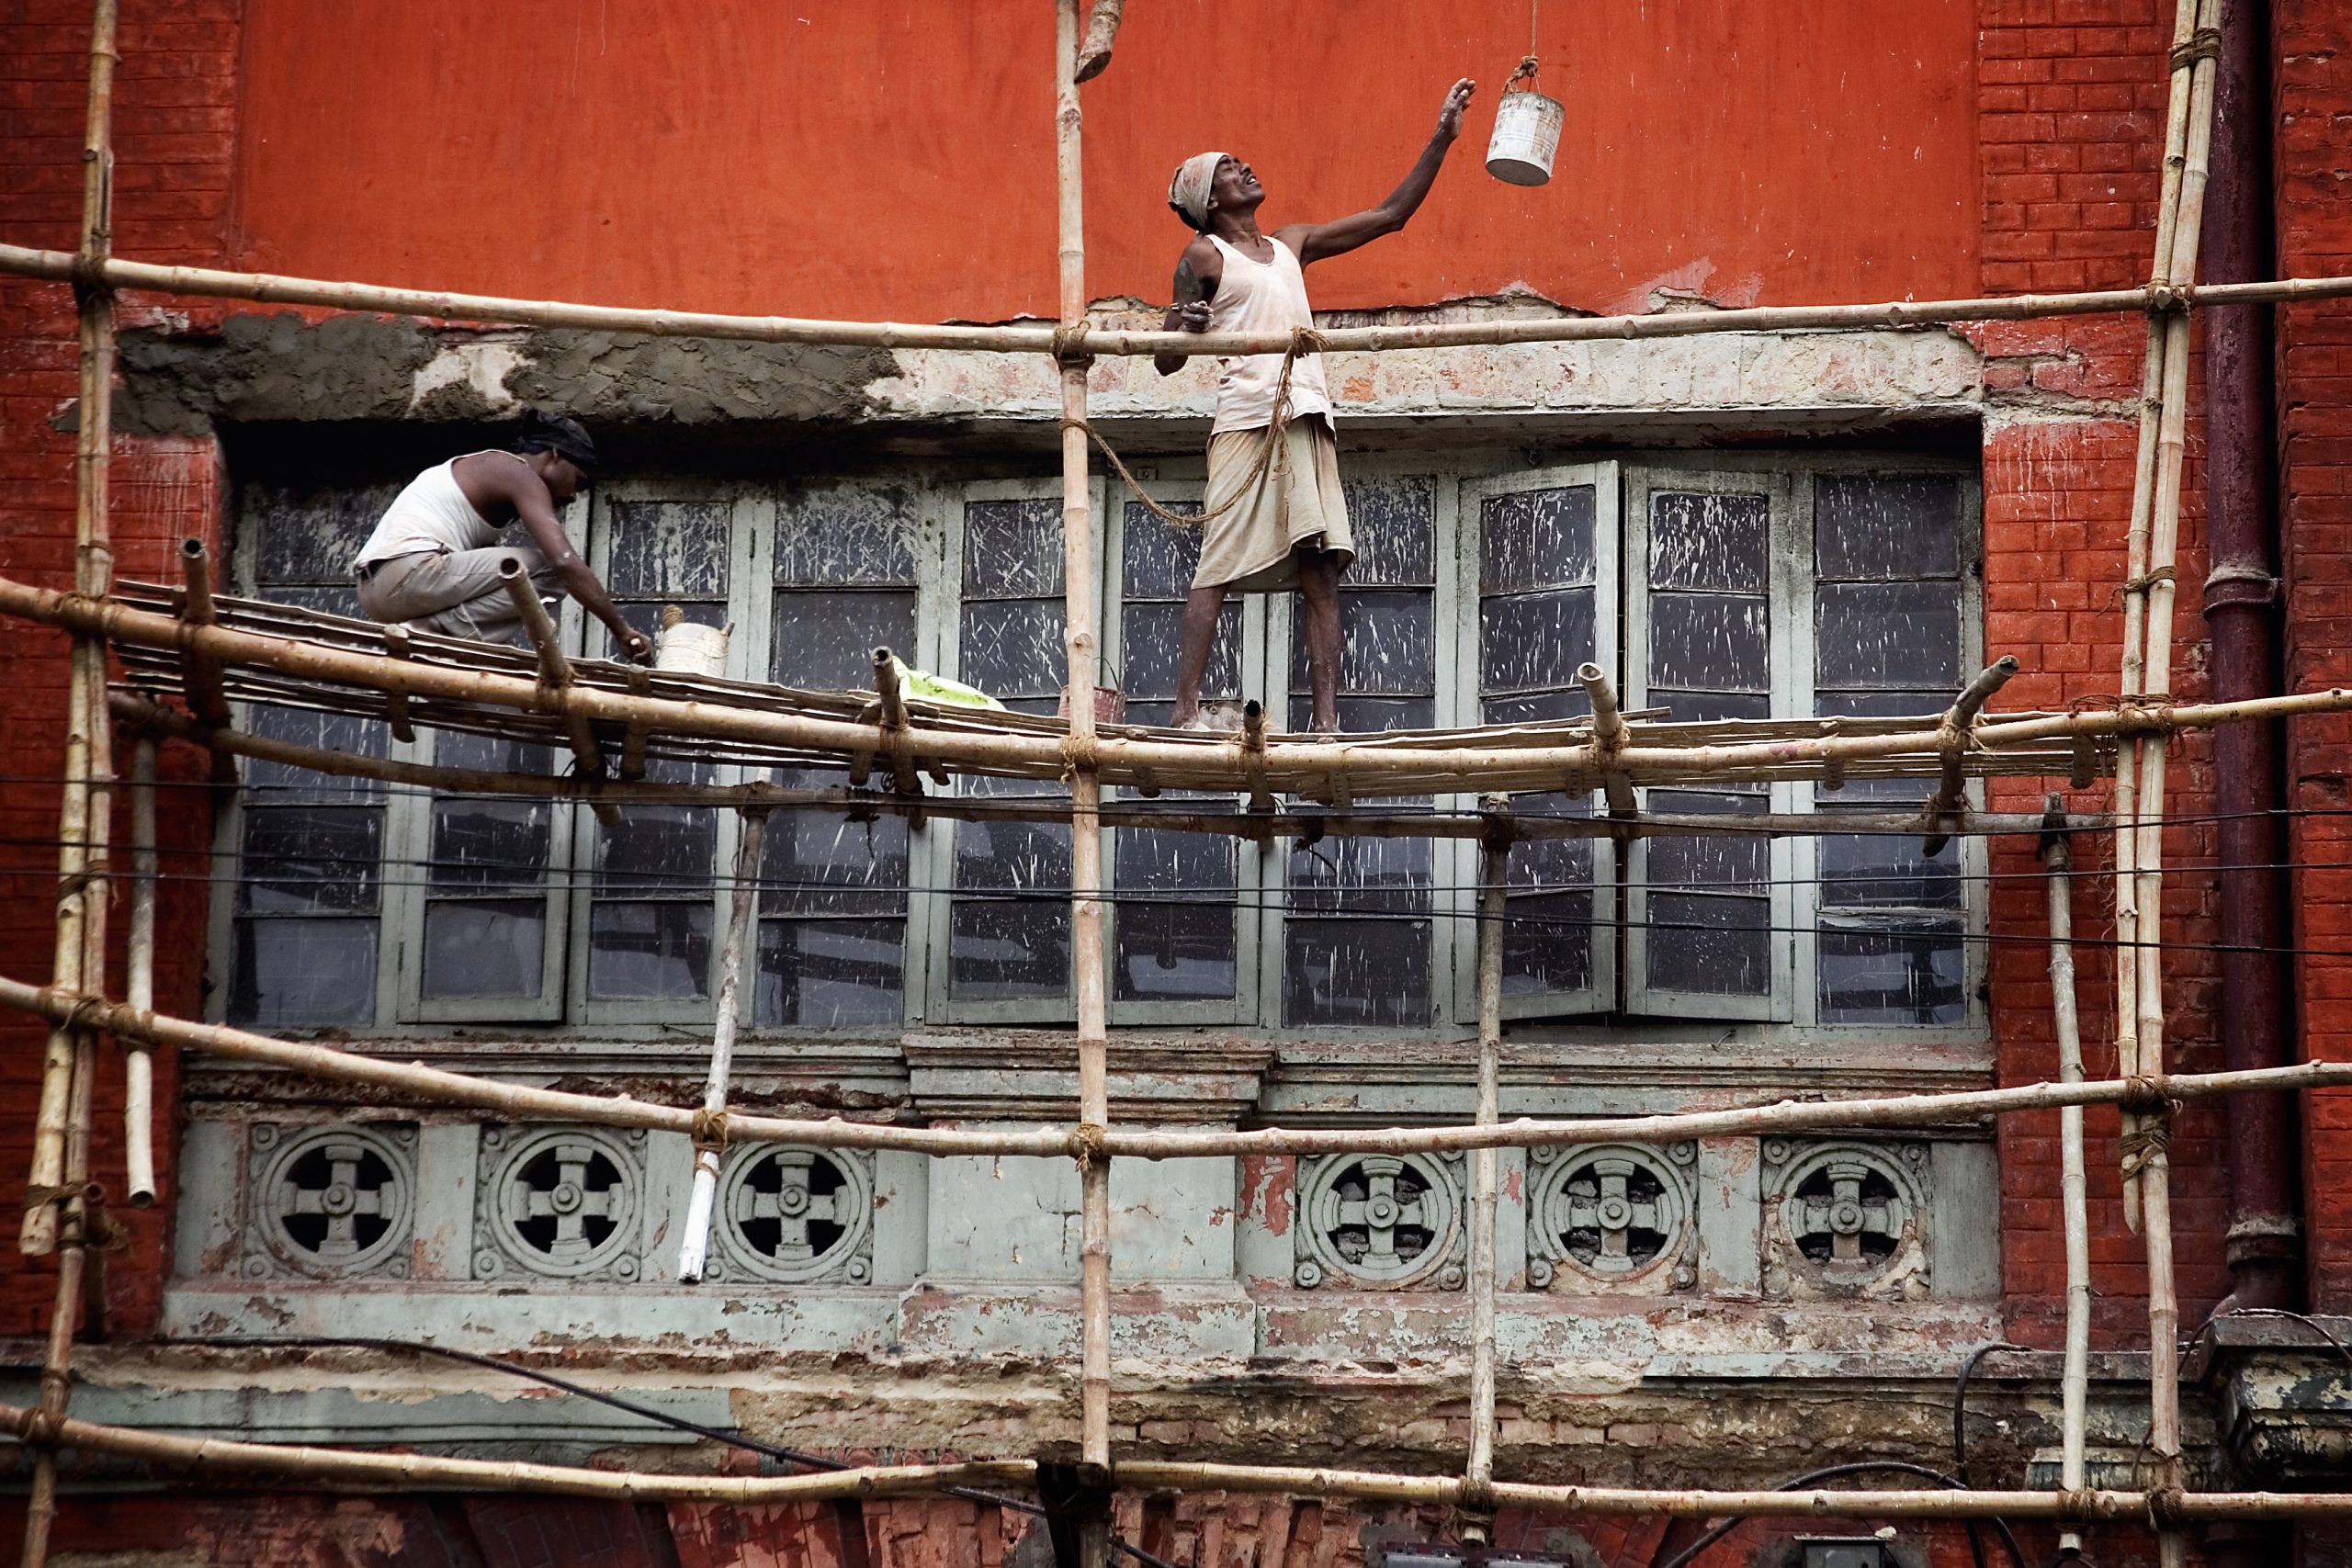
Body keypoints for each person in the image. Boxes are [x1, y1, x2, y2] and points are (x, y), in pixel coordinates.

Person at [1157, 77, 1476, 734]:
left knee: (1321, 570)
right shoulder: (1201, 254)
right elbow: (1165, 357)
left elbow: (1392, 216)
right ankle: (1185, 711)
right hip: (1247, 419)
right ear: (1210, 200)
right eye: (1229, 169)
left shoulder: (1290, 244)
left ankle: (1327, 726)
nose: (1245, 168)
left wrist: (1441, 138)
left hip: (1305, 414)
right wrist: (1177, 324)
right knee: (1217, 563)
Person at [353, 410, 651, 661]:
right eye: (578, 481)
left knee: (514, 584)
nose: (573, 495)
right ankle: (433, 631)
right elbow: (563, 562)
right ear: (555, 456)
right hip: (410, 573)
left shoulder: (484, 476)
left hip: (376, 593)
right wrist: (621, 629)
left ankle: (432, 635)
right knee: (550, 571)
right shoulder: (516, 471)